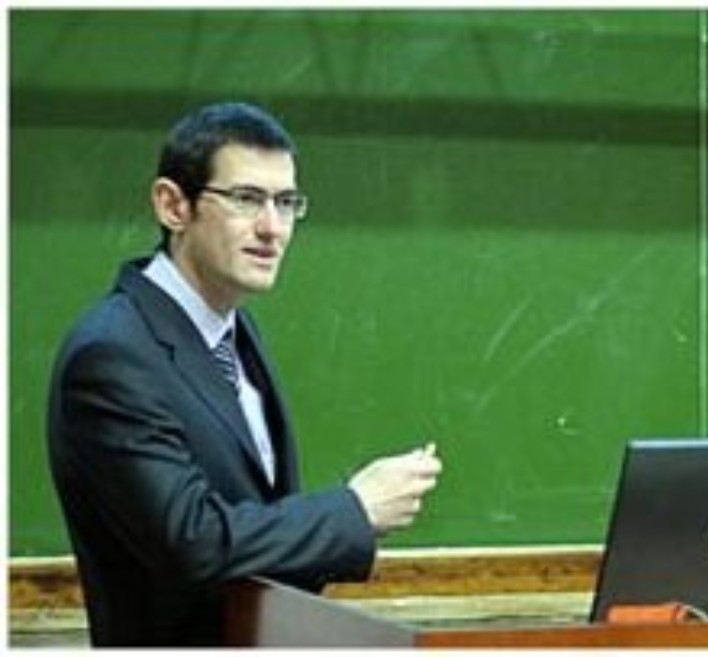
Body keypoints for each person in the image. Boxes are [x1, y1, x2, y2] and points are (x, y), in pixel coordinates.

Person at [46, 101, 443, 647]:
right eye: (246, 199)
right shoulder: (113, 354)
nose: (272, 228)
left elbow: (257, 527)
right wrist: (354, 511)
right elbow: (193, 544)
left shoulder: (235, 331)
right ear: (173, 205)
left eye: (286, 203)